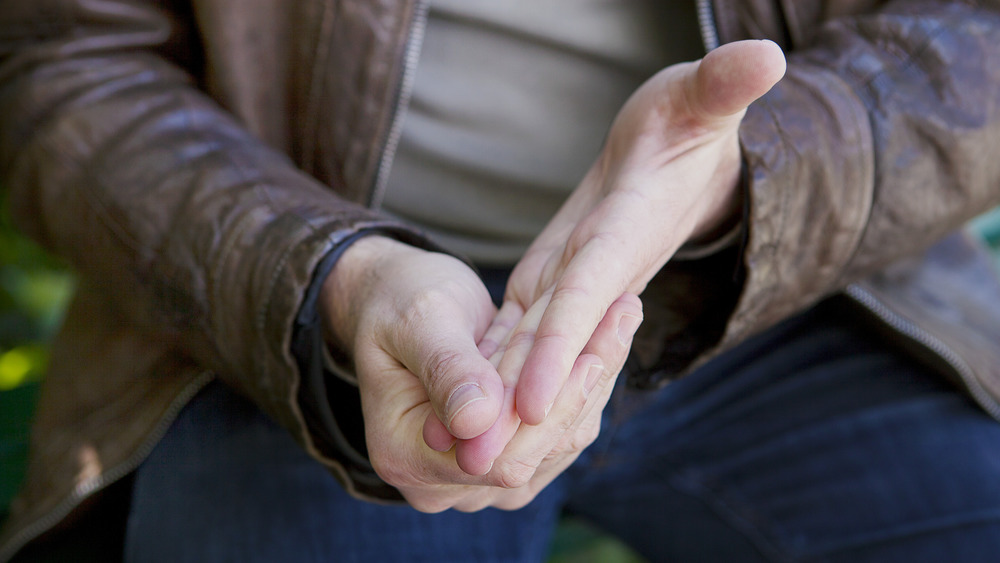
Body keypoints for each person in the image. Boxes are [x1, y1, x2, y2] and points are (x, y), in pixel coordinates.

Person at [2, 0, 1000, 561]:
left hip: (798, 277)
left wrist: (748, 175)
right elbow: (55, 67)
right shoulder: (321, 299)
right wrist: (332, 277)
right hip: (300, 326)